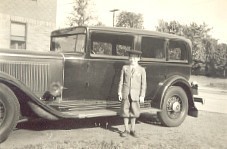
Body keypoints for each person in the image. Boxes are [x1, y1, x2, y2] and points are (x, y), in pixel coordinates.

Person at [118, 50, 147, 137]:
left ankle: (133, 130)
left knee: (134, 112)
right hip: (126, 93)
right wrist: (119, 92)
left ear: (138, 59)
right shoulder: (125, 68)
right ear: (129, 58)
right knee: (125, 111)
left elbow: (143, 84)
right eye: (131, 57)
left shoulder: (142, 70)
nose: (133, 59)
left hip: (136, 95)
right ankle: (126, 130)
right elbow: (121, 81)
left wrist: (142, 95)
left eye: (135, 58)